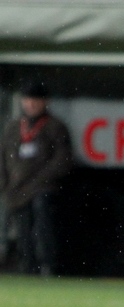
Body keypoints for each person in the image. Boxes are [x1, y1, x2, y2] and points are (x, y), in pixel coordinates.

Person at [0, 80, 72, 276]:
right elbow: (3, 158)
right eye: (27, 99)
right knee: (22, 229)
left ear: (45, 102)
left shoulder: (55, 127)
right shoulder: (13, 127)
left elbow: (62, 161)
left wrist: (35, 182)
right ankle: (26, 265)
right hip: (16, 189)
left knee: (42, 225)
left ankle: (47, 265)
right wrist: (5, 185)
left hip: (42, 189)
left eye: (35, 100)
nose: (31, 104)